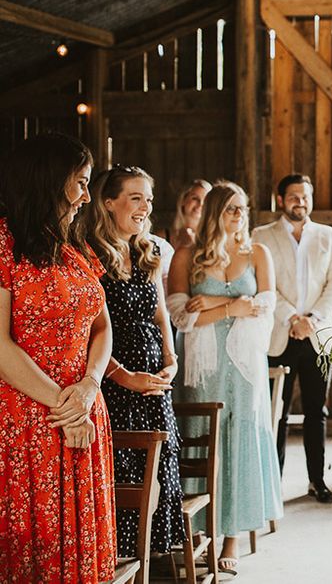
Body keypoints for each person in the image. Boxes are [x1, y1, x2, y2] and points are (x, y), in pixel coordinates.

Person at [0, 133, 116, 582]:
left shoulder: (76, 248)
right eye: (81, 182)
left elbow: (103, 326)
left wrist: (89, 386)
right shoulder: (4, 244)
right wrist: (64, 407)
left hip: (83, 411)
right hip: (28, 418)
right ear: (49, 180)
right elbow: (0, 344)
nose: (88, 196)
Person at [168, 181, 282, 575]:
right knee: (203, 436)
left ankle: (230, 536)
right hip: (204, 367)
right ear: (215, 211)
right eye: (231, 208)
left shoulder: (257, 253)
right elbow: (180, 315)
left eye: (243, 208)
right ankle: (201, 532)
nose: (239, 215)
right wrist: (234, 306)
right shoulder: (187, 255)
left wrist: (219, 303)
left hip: (245, 366)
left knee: (238, 438)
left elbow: (264, 305)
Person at [85, 165, 185, 559]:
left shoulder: (150, 250)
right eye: (135, 197)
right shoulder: (89, 254)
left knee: (159, 464)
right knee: (123, 470)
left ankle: (150, 559)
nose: (146, 206)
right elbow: (91, 330)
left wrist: (171, 360)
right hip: (114, 381)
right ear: (109, 203)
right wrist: (124, 377)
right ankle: (120, 559)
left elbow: (161, 313)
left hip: (154, 379)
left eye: (149, 199)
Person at [251, 174, 332, 504]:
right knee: (275, 412)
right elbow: (263, 286)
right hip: (279, 334)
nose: (300, 202)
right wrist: (292, 317)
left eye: (305, 196)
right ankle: (272, 485)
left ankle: (317, 480)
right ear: (280, 200)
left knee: (315, 412)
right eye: (293, 196)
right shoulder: (261, 236)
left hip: (318, 336)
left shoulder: (328, 235)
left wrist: (312, 320)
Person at [160, 179, 212, 250]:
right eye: (195, 198)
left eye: (205, 200)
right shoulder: (162, 237)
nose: (200, 204)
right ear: (183, 200)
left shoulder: (214, 238)